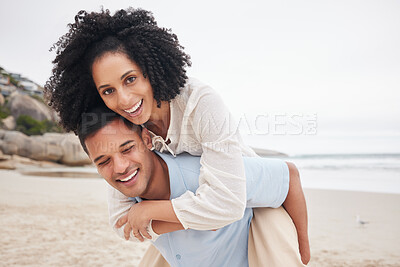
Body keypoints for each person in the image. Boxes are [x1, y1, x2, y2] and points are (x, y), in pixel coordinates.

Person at [45, 7, 310, 265]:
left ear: (149, 68)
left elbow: (229, 202)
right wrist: (188, 220)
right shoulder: (126, 129)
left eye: (130, 79)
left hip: (247, 193)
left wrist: (150, 211)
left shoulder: (199, 103)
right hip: (194, 216)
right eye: (108, 91)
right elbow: (122, 219)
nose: (124, 100)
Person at [78, 106, 301, 266]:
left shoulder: (210, 173)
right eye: (104, 161)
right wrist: (190, 218)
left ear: (147, 140)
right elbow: (123, 228)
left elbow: (287, 175)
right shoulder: (128, 204)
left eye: (127, 149)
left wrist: (304, 252)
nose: (119, 167)